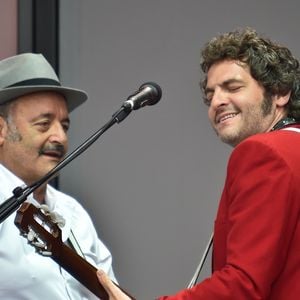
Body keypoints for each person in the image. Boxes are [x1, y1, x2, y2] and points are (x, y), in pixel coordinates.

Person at [97, 27, 300, 299]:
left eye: (233, 87)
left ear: (280, 93)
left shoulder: (263, 152)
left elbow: (243, 286)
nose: (217, 102)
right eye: (210, 95)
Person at [0, 53, 116, 299]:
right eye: (43, 124)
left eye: (64, 126)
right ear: (1, 130)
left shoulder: (73, 212)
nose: (60, 138)